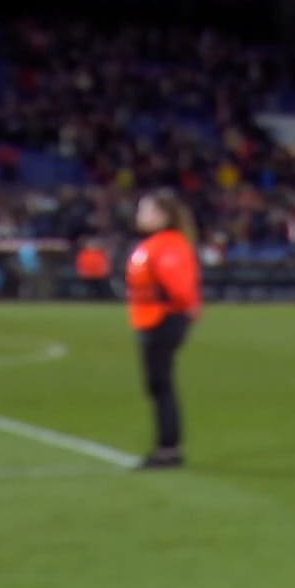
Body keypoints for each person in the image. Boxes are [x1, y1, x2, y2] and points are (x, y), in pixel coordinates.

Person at [125, 189, 201, 470]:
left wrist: (176, 308)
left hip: (162, 318)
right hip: (153, 318)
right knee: (158, 383)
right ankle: (168, 446)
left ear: (162, 215)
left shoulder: (167, 245)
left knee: (160, 383)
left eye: (145, 210)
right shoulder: (158, 244)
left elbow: (179, 288)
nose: (139, 215)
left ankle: (168, 448)